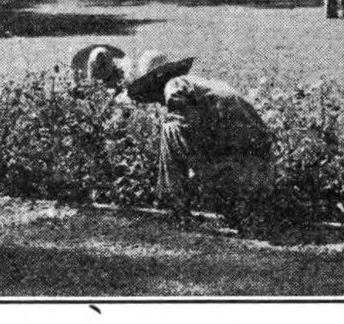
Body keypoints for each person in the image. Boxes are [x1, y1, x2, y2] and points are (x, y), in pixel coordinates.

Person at [117, 51, 276, 233]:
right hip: (259, 159)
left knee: (169, 129)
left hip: (237, 162)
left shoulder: (173, 85)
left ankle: (180, 211)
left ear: (156, 83)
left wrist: (191, 174)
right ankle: (240, 214)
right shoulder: (205, 84)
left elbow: (182, 127)